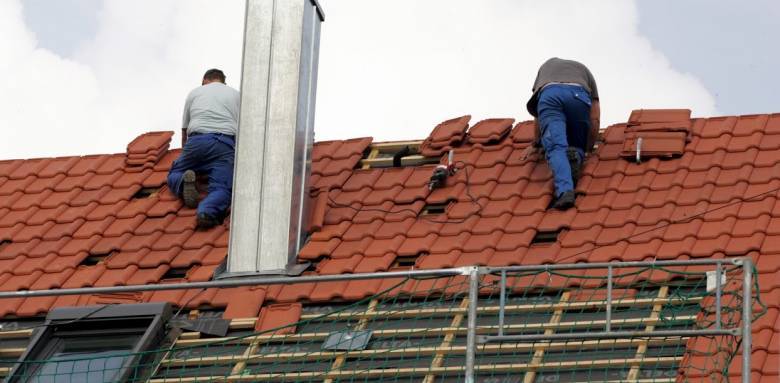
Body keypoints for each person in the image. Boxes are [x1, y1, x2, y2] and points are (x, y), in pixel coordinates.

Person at [167, 69, 240, 229]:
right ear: (223, 82)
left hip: (196, 141)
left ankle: (182, 182)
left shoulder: (194, 93)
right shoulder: (236, 95)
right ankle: (206, 212)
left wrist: (186, 156)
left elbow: (184, 131)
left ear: (204, 80)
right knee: (222, 187)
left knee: (174, 172)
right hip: (224, 143)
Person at [525, 57, 600, 210]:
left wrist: (536, 143)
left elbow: (539, 114)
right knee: (577, 145)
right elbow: (595, 116)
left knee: (556, 147)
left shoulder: (545, 67)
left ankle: (565, 192)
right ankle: (576, 156)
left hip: (550, 95)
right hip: (578, 96)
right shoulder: (585, 71)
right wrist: (588, 147)